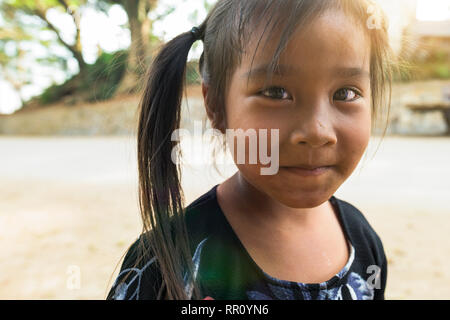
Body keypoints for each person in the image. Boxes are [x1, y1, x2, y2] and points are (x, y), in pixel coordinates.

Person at [107, 0, 396, 300]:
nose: (317, 132)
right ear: (215, 105)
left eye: (345, 93)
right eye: (275, 92)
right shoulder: (165, 265)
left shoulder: (364, 240)